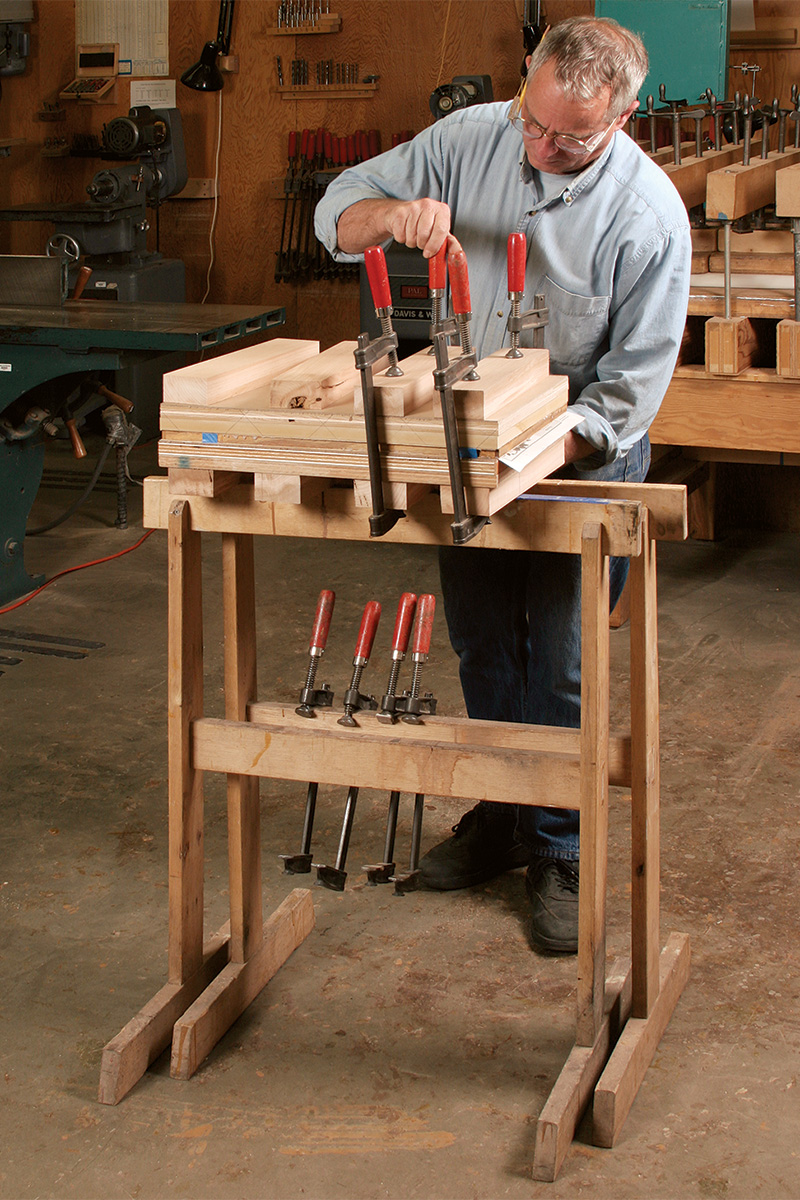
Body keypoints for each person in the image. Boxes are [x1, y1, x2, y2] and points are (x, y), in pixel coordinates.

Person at [315, 16, 691, 954]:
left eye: (571, 137)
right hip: (469, 452)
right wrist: (391, 217)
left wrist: (543, 439)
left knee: (562, 664)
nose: (542, 146)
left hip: (581, 461)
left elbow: (630, 392)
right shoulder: (468, 137)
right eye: (534, 120)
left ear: (623, 114)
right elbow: (337, 210)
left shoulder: (648, 216)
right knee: (485, 648)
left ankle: (559, 844)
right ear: (528, 83)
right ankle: (502, 809)